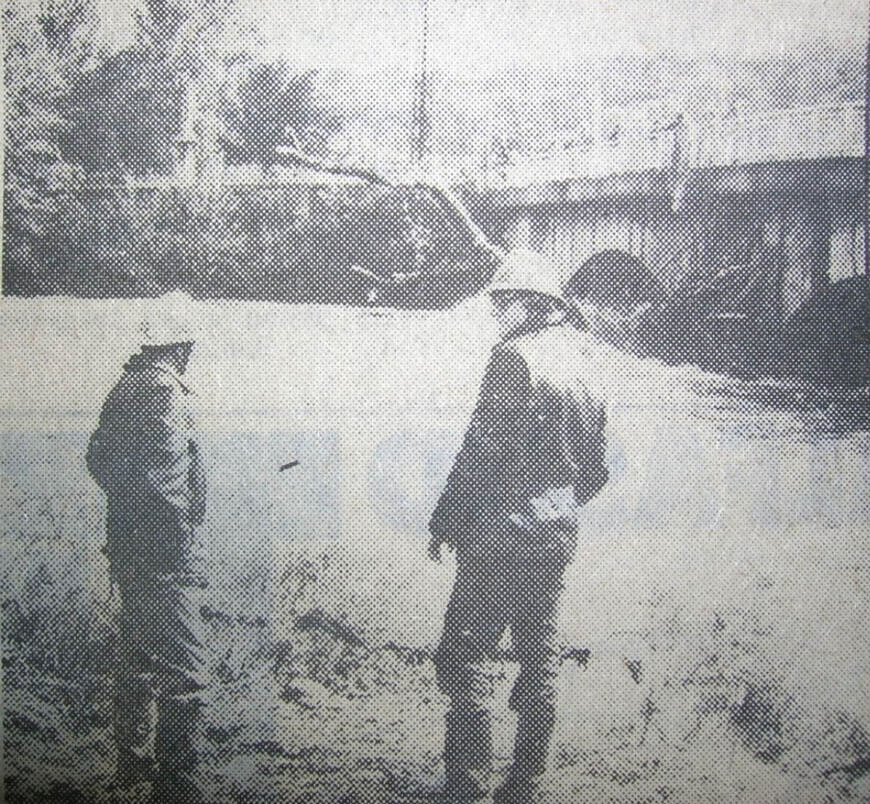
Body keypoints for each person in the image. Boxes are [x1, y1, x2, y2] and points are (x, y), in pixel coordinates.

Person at [429, 249, 609, 803]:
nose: (496, 312)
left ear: (531, 304)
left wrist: (445, 518)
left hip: (498, 538)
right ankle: (527, 785)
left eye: (502, 302)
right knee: (540, 657)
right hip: (554, 537)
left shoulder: (512, 359)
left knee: (466, 657)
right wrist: (555, 505)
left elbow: (480, 451)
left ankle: (468, 788)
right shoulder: (587, 359)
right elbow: (596, 469)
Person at [86, 292, 209, 803]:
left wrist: (126, 511)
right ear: (181, 347)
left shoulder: (125, 386)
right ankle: (178, 787)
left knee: (138, 657)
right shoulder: (165, 393)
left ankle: (132, 768)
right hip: (164, 554)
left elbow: (97, 458)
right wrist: (177, 548)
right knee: (187, 673)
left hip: (129, 547)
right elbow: (165, 485)